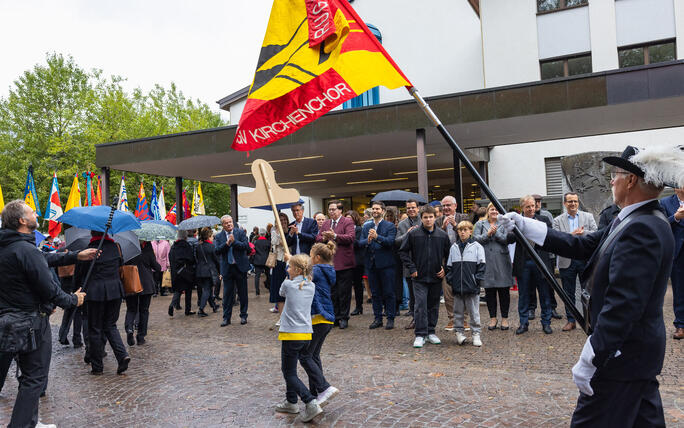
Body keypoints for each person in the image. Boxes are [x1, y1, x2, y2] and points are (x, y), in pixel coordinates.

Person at [501, 145, 681, 426]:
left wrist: (593, 357)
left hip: (622, 358)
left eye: (615, 174)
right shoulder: (632, 218)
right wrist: (527, 226)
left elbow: (624, 304)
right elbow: (585, 244)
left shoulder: (644, 227)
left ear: (631, 180)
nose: (611, 180)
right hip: (635, 358)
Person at [0, 200, 88, 428]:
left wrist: (75, 256)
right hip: (30, 323)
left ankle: (30, 421)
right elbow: (49, 289)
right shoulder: (25, 249)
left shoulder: (10, 246)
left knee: (27, 376)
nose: (35, 214)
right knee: (33, 379)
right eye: (30, 212)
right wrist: (72, 300)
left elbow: (40, 259)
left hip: (8, 321)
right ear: (22, 220)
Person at [73, 230, 131, 376]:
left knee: (95, 328)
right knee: (111, 325)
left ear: (92, 234)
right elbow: (120, 265)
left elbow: (79, 274)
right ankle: (122, 355)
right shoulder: (115, 247)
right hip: (115, 291)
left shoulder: (88, 250)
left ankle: (97, 366)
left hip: (95, 293)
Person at [274, 254, 323, 423]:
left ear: (296, 270)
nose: (287, 270)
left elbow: (281, 293)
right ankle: (291, 401)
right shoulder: (312, 286)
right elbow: (303, 279)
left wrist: (289, 273)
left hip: (291, 334)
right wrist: (293, 262)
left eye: (289, 267)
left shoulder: (287, 284)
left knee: (288, 372)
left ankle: (309, 402)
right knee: (292, 368)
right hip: (306, 334)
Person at [399, 204, 451, 348]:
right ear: (421, 219)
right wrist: (412, 267)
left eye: (431, 217)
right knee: (420, 305)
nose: (428, 220)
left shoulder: (442, 235)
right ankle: (420, 334)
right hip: (419, 277)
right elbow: (402, 252)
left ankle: (431, 332)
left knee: (433, 305)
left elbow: (450, 255)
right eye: (425, 217)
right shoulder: (413, 234)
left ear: (435, 217)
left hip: (436, 276)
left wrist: (445, 269)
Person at [299, 242, 338, 407]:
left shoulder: (318, 270)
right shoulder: (327, 269)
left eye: (310, 255)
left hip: (319, 317)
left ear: (317, 258)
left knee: (304, 355)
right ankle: (316, 393)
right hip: (325, 318)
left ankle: (324, 388)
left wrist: (289, 261)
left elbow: (302, 275)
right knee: (313, 355)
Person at [553, 192, 597, 332]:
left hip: (584, 259)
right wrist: (571, 235)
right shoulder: (557, 220)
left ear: (578, 203)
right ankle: (571, 320)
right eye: (570, 201)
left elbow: (595, 233)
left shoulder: (588, 216)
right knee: (568, 292)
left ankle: (589, 320)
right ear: (565, 203)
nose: (573, 204)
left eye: (575, 201)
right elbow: (556, 239)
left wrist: (582, 234)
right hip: (567, 261)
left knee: (588, 291)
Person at [512, 195, 554, 335]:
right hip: (524, 262)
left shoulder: (544, 220)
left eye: (533, 206)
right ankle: (523, 323)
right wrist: (519, 228)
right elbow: (508, 238)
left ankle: (546, 323)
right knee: (523, 295)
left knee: (544, 294)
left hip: (541, 261)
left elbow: (550, 238)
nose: (531, 209)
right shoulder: (517, 221)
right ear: (522, 208)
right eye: (528, 207)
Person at [473, 203, 515, 331]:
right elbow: (475, 239)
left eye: (496, 209)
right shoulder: (480, 224)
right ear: (488, 211)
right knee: (490, 290)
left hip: (502, 260)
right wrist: (487, 234)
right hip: (486, 260)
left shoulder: (504, 223)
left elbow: (506, 239)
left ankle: (505, 318)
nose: (494, 211)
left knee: (504, 291)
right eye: (492, 209)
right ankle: (493, 318)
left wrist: (494, 233)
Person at [316, 200, 356, 329]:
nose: (331, 212)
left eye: (334, 209)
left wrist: (335, 235)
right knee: (332, 292)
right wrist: (324, 238)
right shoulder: (326, 223)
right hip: (329, 263)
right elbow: (317, 238)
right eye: (330, 210)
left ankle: (344, 317)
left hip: (344, 263)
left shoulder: (347, 222)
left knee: (344, 292)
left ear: (340, 210)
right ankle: (335, 316)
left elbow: (350, 237)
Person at [446, 221, 486, 346]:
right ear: (457, 232)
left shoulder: (477, 246)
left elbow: (482, 267)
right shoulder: (454, 247)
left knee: (474, 312)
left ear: (470, 231)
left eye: (465, 230)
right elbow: (449, 267)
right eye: (460, 230)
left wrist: (476, 281)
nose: (462, 232)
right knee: (457, 312)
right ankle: (459, 332)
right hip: (458, 287)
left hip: (472, 286)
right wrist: (451, 280)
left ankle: (476, 334)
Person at [359, 201, 397, 330]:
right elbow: (360, 243)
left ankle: (390, 318)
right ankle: (377, 318)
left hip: (386, 265)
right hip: (371, 264)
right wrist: (368, 240)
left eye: (377, 209)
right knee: (375, 293)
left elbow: (390, 242)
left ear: (383, 211)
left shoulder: (390, 226)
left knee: (389, 292)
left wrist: (377, 237)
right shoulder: (366, 226)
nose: (375, 211)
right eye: (373, 208)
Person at [435, 195, 469, 331]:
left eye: (448, 205)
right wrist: (442, 229)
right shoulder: (438, 221)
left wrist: (455, 226)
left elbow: (467, 236)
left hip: (462, 259)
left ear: (455, 206)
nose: (446, 208)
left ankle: (464, 320)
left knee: (463, 290)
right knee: (448, 291)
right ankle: (452, 319)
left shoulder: (464, 218)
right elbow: (435, 240)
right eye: (443, 206)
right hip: (445, 260)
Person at [215, 215, 250, 326]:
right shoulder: (219, 236)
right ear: (223, 225)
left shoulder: (240, 233)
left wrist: (234, 242)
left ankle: (243, 316)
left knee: (242, 293)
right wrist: (227, 244)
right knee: (227, 295)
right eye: (226, 223)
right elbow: (217, 250)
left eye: (230, 222)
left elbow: (246, 247)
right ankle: (226, 318)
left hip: (240, 268)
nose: (229, 224)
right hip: (227, 268)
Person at [124, 240, 160, 346]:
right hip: (146, 284)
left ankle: (129, 329)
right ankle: (141, 337)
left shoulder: (127, 249)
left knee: (131, 309)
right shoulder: (147, 249)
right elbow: (156, 267)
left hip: (131, 282)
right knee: (144, 311)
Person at [660, 187, 684, 339]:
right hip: (678, 253)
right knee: (679, 290)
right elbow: (661, 225)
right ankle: (681, 325)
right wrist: (675, 217)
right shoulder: (665, 203)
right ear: (677, 187)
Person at [531, 194, 560, 320]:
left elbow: (551, 233)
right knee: (531, 285)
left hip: (547, 255)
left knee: (549, 282)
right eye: (534, 202)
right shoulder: (525, 216)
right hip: (531, 255)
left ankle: (552, 307)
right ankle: (531, 309)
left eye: (538, 202)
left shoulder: (546, 215)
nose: (537, 204)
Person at [395, 199, 421, 330]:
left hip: (423, 262)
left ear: (418, 208)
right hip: (408, 263)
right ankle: (415, 319)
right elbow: (397, 241)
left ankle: (424, 319)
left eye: (413, 207)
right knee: (412, 294)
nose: (411, 210)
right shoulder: (402, 224)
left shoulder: (424, 219)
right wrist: (408, 233)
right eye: (408, 208)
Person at [168, 229, 197, 316]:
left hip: (176, 272)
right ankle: (188, 310)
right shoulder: (186, 245)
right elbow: (191, 258)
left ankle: (172, 305)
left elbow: (170, 258)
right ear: (185, 236)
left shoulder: (173, 246)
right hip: (186, 272)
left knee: (178, 290)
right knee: (188, 291)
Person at [195, 227, 220, 317]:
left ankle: (214, 306)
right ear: (209, 236)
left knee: (207, 289)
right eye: (212, 236)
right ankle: (201, 309)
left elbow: (197, 258)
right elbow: (216, 260)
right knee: (207, 290)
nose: (213, 238)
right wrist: (220, 271)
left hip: (200, 271)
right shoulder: (212, 246)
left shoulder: (198, 246)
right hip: (209, 271)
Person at [270, 213, 290, 324]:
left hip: (289, 263)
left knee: (290, 291)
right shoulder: (274, 232)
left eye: (284, 220)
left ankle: (289, 316)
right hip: (278, 263)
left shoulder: (290, 231)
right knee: (279, 291)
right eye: (280, 220)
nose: (283, 222)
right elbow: (275, 242)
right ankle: (282, 317)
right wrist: (279, 233)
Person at [346, 210, 366, 316]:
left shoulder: (358, 229)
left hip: (357, 261)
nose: (348, 220)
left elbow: (357, 244)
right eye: (347, 218)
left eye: (350, 218)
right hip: (346, 260)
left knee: (358, 285)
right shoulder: (344, 230)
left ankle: (359, 306)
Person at [252, 228, 270, 296]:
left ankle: (257, 291)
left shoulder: (256, 242)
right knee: (268, 275)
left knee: (257, 276)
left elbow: (253, 251)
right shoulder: (268, 242)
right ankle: (269, 288)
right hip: (266, 260)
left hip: (258, 260)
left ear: (259, 234)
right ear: (265, 234)